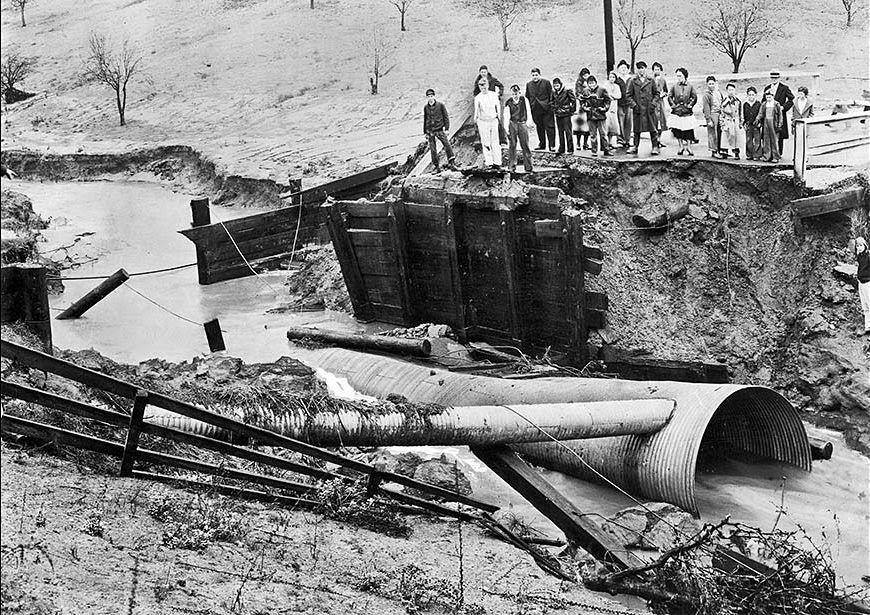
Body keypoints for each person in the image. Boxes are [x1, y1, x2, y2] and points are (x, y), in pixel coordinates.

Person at [625, 61, 661, 156]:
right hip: (638, 109)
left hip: (649, 108)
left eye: (642, 68)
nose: (641, 70)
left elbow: (657, 94)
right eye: (639, 68)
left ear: (645, 68)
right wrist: (634, 105)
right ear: (637, 70)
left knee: (653, 128)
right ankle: (635, 146)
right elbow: (628, 95)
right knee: (637, 129)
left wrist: (653, 104)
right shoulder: (633, 81)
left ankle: (655, 146)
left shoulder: (651, 80)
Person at [422, 88, 456, 172]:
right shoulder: (426, 107)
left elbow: (446, 117)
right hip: (430, 131)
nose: (430, 98)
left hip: (439, 129)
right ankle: (437, 167)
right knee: (433, 150)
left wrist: (447, 129)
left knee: (447, 145)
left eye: (431, 96)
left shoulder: (440, 105)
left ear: (434, 96)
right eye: (428, 96)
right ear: (426, 97)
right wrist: (425, 132)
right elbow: (425, 119)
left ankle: (452, 163)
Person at [472, 65, 507, 145]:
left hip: (492, 103)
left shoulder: (493, 80)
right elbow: (475, 92)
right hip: (484, 104)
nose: (483, 73)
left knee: (497, 120)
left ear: (487, 72)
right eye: (482, 72)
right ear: (480, 73)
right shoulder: (478, 82)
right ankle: (481, 141)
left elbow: (501, 86)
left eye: (484, 72)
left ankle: (502, 140)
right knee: (482, 123)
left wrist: (499, 94)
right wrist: (479, 99)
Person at [505, 84, 535, 172]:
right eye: (513, 94)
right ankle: (512, 166)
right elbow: (506, 116)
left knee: (525, 144)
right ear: (511, 94)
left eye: (516, 93)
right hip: (513, 124)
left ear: (519, 92)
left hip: (522, 123)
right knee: (512, 145)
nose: (515, 95)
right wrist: (507, 128)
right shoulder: (508, 103)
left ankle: (528, 166)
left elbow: (528, 111)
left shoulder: (524, 100)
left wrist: (529, 123)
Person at [763, 70, 794, 156]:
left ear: (779, 78)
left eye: (776, 78)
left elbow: (791, 99)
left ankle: (779, 153)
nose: (774, 80)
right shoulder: (767, 88)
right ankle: (769, 153)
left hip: (779, 114)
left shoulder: (784, 88)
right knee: (769, 133)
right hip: (769, 114)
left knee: (779, 133)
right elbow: (763, 100)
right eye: (772, 78)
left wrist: (783, 107)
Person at [474, 76, 502, 168]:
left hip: (493, 120)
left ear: (488, 85)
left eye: (484, 85)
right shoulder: (478, 97)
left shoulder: (493, 95)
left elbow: (498, 107)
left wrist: (498, 118)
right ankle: (489, 162)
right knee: (486, 142)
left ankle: (497, 162)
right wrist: (477, 121)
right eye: (481, 86)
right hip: (483, 122)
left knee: (495, 142)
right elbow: (476, 111)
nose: (483, 87)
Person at [668, 67, 697, 156]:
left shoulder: (690, 86)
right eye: (677, 76)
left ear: (685, 76)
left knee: (689, 129)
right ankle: (680, 146)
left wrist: (690, 105)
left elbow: (694, 97)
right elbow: (669, 96)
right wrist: (673, 106)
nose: (678, 78)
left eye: (680, 76)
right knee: (678, 129)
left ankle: (688, 147)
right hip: (677, 111)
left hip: (687, 112)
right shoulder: (674, 86)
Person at [525, 68, 555, 151]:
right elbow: (527, 96)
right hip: (535, 109)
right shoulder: (529, 84)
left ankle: (552, 145)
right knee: (539, 127)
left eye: (536, 75)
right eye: (533, 75)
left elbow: (551, 95)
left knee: (550, 127)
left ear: (540, 75)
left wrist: (550, 105)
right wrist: (531, 105)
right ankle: (542, 144)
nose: (535, 77)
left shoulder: (546, 82)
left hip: (546, 109)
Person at [584, 75, 612, 157]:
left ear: (596, 83)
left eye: (593, 83)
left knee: (603, 134)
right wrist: (586, 108)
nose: (591, 85)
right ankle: (594, 150)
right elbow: (582, 101)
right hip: (590, 115)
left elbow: (608, 100)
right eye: (589, 83)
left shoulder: (602, 90)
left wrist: (604, 108)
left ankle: (606, 150)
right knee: (593, 134)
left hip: (600, 115)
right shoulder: (585, 91)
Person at [551, 77, 576, 155]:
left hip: (566, 114)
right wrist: (554, 109)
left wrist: (570, 110)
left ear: (560, 84)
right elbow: (551, 102)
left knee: (568, 132)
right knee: (560, 132)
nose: (556, 87)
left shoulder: (567, 91)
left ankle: (570, 149)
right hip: (558, 114)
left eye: (557, 85)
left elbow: (573, 101)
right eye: (555, 86)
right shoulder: (553, 92)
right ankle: (561, 148)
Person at [756, 90, 783, 163]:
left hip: (774, 123)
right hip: (766, 123)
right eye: (767, 97)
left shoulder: (776, 104)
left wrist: (780, 123)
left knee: (774, 140)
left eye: (770, 97)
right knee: (766, 139)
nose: (768, 99)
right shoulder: (764, 104)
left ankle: (775, 156)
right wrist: (757, 119)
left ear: (773, 97)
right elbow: (761, 113)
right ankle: (767, 156)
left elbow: (780, 115)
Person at [702, 76, 724, 158]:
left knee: (720, 132)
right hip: (712, 114)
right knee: (713, 133)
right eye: (709, 84)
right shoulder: (706, 95)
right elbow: (706, 108)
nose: (711, 85)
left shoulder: (718, 92)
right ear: (707, 84)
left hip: (720, 114)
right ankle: (714, 151)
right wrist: (709, 119)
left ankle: (720, 150)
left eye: (712, 83)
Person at [720, 82, 742, 159]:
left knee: (736, 136)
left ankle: (736, 152)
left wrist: (740, 122)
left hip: (735, 120)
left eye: (732, 90)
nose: (731, 91)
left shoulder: (738, 101)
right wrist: (722, 122)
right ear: (727, 91)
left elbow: (740, 112)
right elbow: (722, 112)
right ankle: (724, 151)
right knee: (726, 136)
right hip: (727, 120)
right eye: (729, 90)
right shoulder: (724, 101)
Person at [615, 60, 633, 148]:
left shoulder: (631, 79)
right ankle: (620, 139)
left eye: (625, 68)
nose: (623, 69)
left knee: (628, 122)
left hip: (629, 103)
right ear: (618, 69)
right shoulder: (617, 79)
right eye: (621, 68)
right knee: (620, 121)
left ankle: (628, 139)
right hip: (620, 103)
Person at [743, 87, 763, 161]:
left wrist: (759, 123)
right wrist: (745, 123)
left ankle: (757, 155)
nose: (751, 96)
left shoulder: (758, 104)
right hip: (748, 124)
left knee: (757, 139)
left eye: (752, 95)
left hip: (756, 124)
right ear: (747, 95)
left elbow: (761, 114)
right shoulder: (745, 104)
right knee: (749, 139)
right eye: (749, 95)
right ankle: (749, 154)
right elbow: (744, 115)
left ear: (755, 95)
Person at [574, 68, 591, 150]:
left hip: (588, 106)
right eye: (584, 75)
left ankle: (585, 143)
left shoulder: (590, 82)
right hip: (581, 107)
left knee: (587, 126)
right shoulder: (579, 83)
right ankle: (578, 143)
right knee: (579, 126)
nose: (586, 76)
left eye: (587, 74)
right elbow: (578, 94)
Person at [604, 71, 622, 148]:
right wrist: (609, 96)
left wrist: (612, 96)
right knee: (606, 125)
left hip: (614, 107)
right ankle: (606, 143)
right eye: (610, 77)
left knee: (613, 125)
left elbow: (619, 95)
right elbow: (604, 94)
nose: (612, 79)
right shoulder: (605, 86)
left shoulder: (617, 86)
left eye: (613, 77)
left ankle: (611, 141)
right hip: (607, 107)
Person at [856, 237, 870, 335]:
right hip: (861, 282)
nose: (859, 247)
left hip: (868, 283)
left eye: (861, 245)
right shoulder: (859, 256)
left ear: (864, 245)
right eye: (857, 246)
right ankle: (867, 327)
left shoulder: (868, 255)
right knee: (865, 306)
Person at [652, 62, 669, 136]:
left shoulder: (663, 80)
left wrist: (663, 94)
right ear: (653, 71)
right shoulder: (651, 80)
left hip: (661, 102)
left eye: (658, 69)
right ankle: (654, 139)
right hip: (653, 102)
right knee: (654, 120)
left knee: (661, 120)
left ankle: (659, 139)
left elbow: (666, 91)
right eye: (655, 69)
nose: (657, 71)